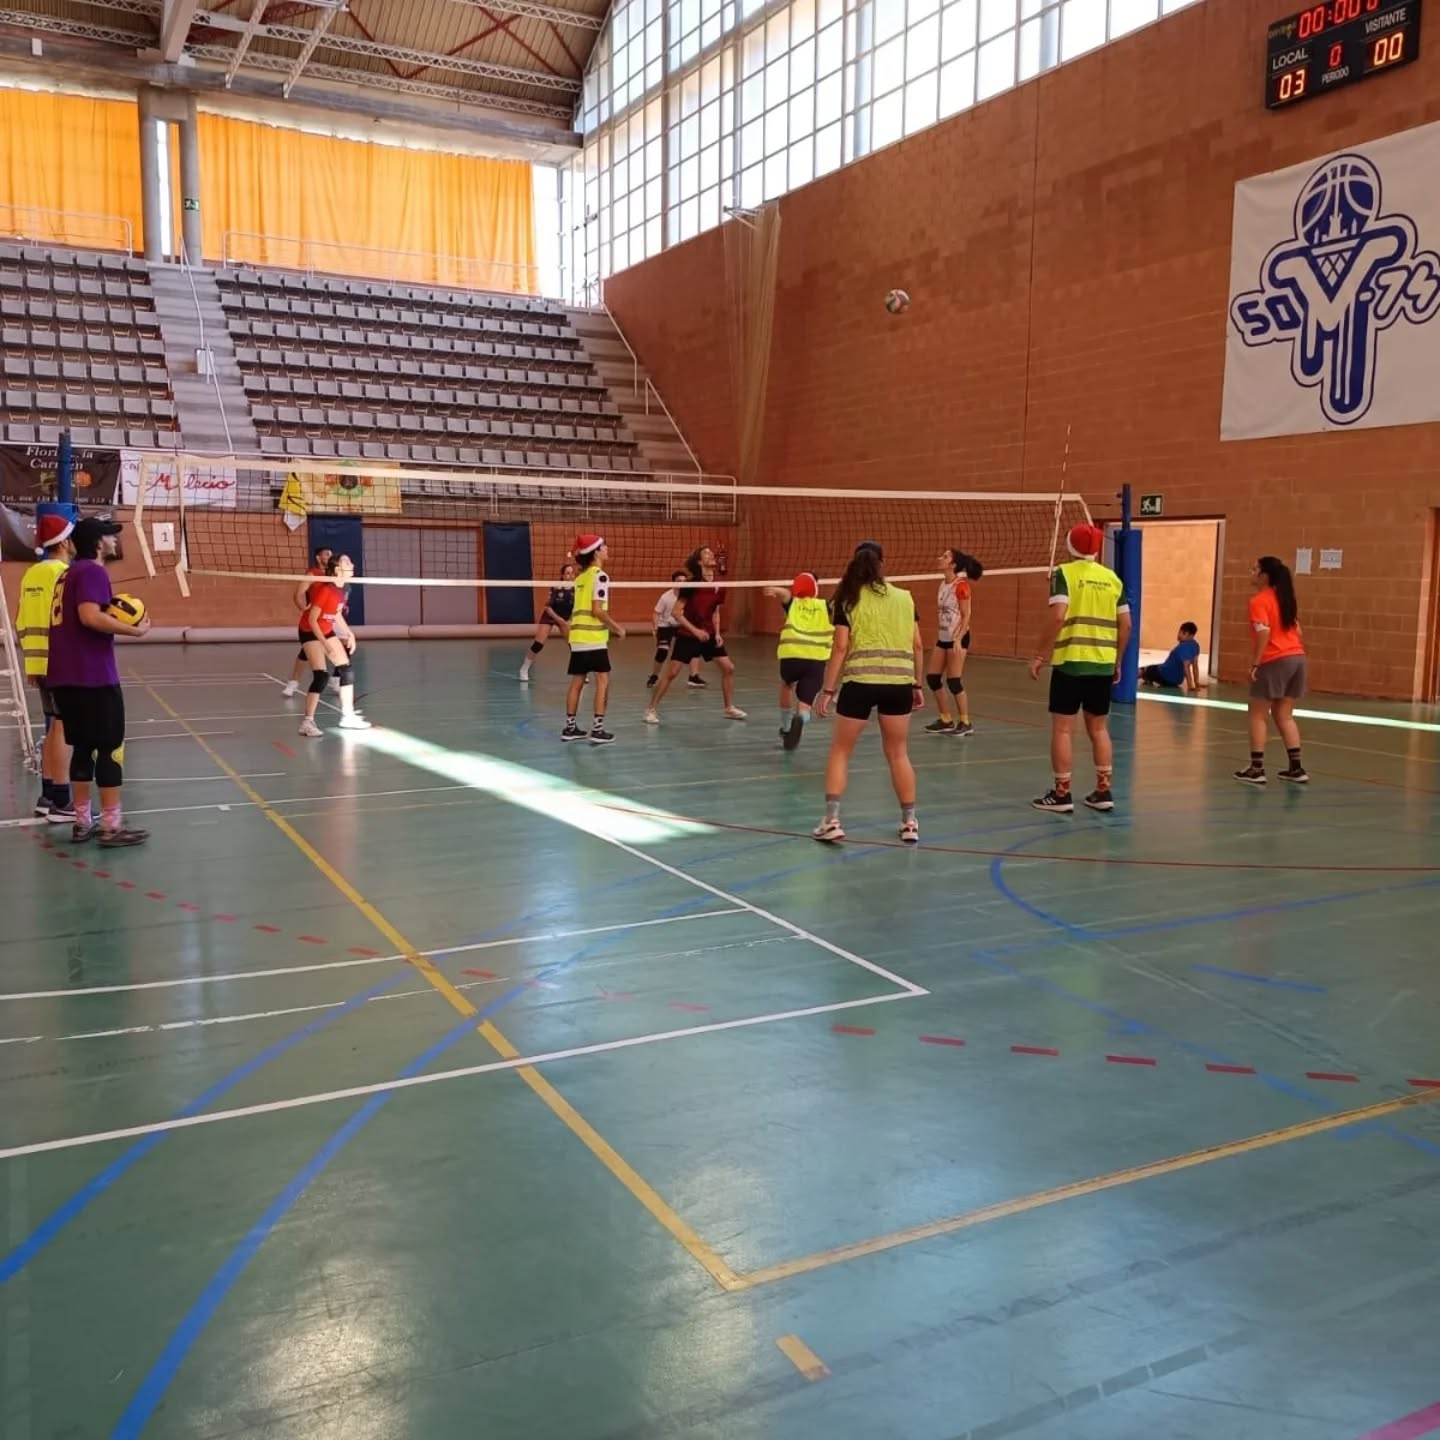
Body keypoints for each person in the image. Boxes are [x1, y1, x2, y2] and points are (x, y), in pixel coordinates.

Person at [45, 515, 151, 846]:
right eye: (110, 536)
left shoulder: (68, 575)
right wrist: (136, 630)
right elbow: (89, 616)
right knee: (109, 750)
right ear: (97, 542)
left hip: (64, 676)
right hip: (92, 677)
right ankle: (111, 827)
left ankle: (81, 822)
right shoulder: (92, 571)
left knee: (83, 748)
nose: (115, 540)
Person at [813, 542, 924, 844]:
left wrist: (827, 690)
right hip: (899, 684)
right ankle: (910, 822)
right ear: (882, 564)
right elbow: (917, 644)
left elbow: (839, 647)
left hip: (860, 683)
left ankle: (832, 820)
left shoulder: (847, 599)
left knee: (841, 750)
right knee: (898, 753)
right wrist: (916, 683)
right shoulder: (905, 598)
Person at [1028, 523, 1131, 814]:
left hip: (1071, 663)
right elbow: (1126, 625)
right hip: (1101, 665)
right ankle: (1103, 791)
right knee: (1099, 729)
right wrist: (1117, 660)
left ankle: (1062, 795)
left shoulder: (1064, 573)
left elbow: (1058, 617)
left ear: (1070, 545)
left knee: (1063, 730)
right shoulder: (1112, 578)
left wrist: (1038, 654)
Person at [17, 513, 76, 822]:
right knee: (63, 729)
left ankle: (47, 795)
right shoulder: (66, 574)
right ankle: (63, 802)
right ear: (65, 541)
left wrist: (30, 661)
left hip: (38, 661)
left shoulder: (31, 575)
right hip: (60, 663)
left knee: (53, 726)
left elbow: (22, 621)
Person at [644, 545, 746, 723]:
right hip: (688, 634)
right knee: (672, 673)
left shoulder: (720, 585)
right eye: (706, 553)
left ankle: (729, 708)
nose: (711, 554)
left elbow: (715, 611)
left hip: (709, 634)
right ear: (699, 561)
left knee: (729, 668)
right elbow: (677, 612)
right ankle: (651, 710)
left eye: (711, 552)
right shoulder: (691, 584)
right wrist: (695, 631)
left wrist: (717, 633)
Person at [1235, 556, 1307, 785]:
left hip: (1275, 660)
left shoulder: (1259, 601)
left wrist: (1256, 663)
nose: (1251, 571)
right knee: (1284, 715)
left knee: (1257, 714)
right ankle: (1296, 768)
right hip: (1297, 658)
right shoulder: (1286, 599)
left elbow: (1264, 633)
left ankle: (1257, 769)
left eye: (1255, 568)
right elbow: (1299, 632)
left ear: (1264, 576)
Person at [297, 554, 371, 736]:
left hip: (326, 629)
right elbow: (313, 620)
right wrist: (324, 644)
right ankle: (307, 723)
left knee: (346, 669)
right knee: (321, 676)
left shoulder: (342, 589)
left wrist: (349, 633)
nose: (352, 563)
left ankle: (347, 717)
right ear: (337, 569)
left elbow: (336, 615)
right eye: (347, 561)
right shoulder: (325, 590)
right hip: (310, 631)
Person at [563, 534, 625, 744]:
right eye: (604, 546)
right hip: (594, 637)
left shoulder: (580, 578)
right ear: (596, 551)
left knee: (577, 682)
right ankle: (598, 730)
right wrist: (617, 627)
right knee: (603, 680)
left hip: (577, 637)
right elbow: (597, 610)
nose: (607, 549)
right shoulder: (600, 576)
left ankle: (570, 729)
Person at [763, 571, 834, 751]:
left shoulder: (792, 603)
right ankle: (801, 718)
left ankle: (786, 728)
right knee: (805, 702)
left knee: (787, 685)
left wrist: (774, 589)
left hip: (791, 657)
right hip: (815, 659)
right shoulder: (825, 606)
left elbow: (785, 594)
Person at [924, 547, 982, 737]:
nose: (940, 558)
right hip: (944, 637)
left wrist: (957, 638)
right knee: (933, 678)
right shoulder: (942, 584)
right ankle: (946, 719)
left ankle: (965, 722)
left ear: (953, 564)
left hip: (958, 638)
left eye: (945, 556)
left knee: (954, 681)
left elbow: (967, 615)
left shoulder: (961, 585)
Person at [283, 544, 334, 697]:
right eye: (326, 554)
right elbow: (297, 594)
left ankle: (337, 679)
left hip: (329, 620)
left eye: (331, 554)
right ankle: (293, 682)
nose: (329, 557)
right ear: (318, 558)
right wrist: (303, 608)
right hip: (311, 623)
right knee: (306, 653)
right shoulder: (313, 574)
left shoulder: (333, 574)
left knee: (344, 645)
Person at [520, 562, 576, 681]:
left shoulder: (577, 588)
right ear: (562, 575)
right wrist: (559, 620)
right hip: (551, 615)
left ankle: (580, 672)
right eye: (567, 573)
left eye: (572, 573)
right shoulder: (556, 587)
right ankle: (524, 669)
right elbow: (548, 608)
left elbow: (576, 607)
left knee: (574, 645)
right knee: (538, 644)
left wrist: (570, 620)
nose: (570, 576)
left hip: (565, 617)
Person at [647, 570, 703, 689]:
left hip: (681, 626)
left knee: (694, 647)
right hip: (666, 625)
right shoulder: (666, 597)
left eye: (684, 581)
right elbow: (656, 613)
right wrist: (655, 628)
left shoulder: (689, 596)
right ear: (673, 582)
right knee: (662, 651)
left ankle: (694, 676)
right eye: (679, 581)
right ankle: (654, 675)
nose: (682, 583)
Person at [1142, 622, 1202, 691]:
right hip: (1177, 681)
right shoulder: (1196, 645)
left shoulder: (1183, 647)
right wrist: (1196, 683)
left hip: (1164, 675)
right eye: (1180, 632)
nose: (1179, 635)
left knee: (1145, 670)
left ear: (1190, 635)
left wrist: (1190, 686)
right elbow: (1195, 666)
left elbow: (1186, 667)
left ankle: (1132, 676)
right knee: (1156, 668)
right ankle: (1149, 678)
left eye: (1182, 633)